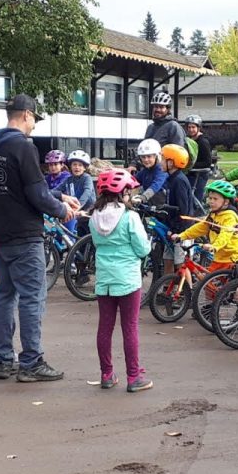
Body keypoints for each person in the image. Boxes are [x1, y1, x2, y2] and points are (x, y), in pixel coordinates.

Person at [0, 94, 77, 382]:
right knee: (32, 298)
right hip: (24, 233)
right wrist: (60, 210)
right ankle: (32, 361)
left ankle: (3, 358)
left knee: (4, 296)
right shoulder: (23, 146)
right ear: (26, 115)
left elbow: (13, 186)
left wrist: (59, 194)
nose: (34, 125)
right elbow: (34, 193)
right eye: (34, 118)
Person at [89, 168, 153, 392]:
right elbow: (143, 249)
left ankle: (106, 374)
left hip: (104, 279)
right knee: (130, 328)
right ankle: (133, 377)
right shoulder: (130, 217)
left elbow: (97, 244)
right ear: (123, 192)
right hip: (127, 279)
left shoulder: (94, 217)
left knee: (105, 327)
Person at [172, 180, 238, 273]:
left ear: (226, 202)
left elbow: (225, 234)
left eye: (215, 199)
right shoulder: (214, 214)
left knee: (226, 285)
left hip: (232, 256)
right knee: (209, 284)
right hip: (219, 256)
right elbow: (201, 227)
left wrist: (214, 246)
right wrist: (182, 236)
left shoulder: (229, 217)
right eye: (210, 198)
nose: (211, 201)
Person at [160, 144, 194, 276]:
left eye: (163, 159)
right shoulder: (171, 178)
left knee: (180, 263)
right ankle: (166, 288)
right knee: (168, 259)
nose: (161, 162)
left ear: (172, 162)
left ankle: (188, 290)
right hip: (173, 227)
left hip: (182, 229)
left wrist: (177, 230)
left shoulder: (179, 181)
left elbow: (183, 209)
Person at [59, 150, 95, 235]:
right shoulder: (68, 180)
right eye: (74, 164)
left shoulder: (87, 178)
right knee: (78, 238)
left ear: (84, 167)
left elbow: (87, 192)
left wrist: (78, 206)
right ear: (70, 166)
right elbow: (56, 190)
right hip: (78, 214)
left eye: (80, 165)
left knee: (89, 238)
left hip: (89, 213)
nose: (77, 167)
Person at [184, 115, 212, 212]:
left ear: (198, 128)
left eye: (193, 127)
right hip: (190, 173)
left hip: (200, 174)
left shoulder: (203, 142)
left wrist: (190, 166)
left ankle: (198, 213)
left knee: (195, 197)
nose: (191, 130)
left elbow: (208, 162)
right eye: (189, 127)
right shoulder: (187, 140)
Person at [132, 138, 168, 206]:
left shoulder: (162, 170)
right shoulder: (145, 170)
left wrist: (143, 197)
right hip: (149, 205)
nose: (146, 160)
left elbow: (155, 186)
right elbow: (133, 180)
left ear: (156, 156)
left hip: (162, 207)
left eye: (149, 156)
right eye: (143, 157)